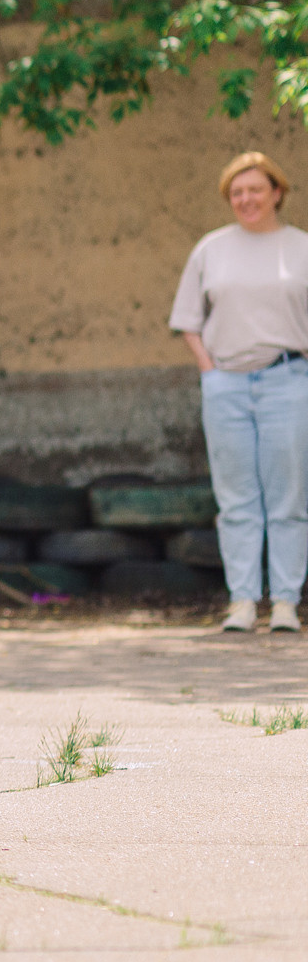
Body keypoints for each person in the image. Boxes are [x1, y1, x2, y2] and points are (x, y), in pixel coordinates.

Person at [170, 151, 308, 635]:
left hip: (287, 381)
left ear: (276, 192)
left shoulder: (300, 249)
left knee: (289, 498)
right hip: (225, 383)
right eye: (236, 192)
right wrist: (210, 372)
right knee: (236, 500)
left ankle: (286, 603)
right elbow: (188, 321)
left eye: (254, 189)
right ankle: (243, 602)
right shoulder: (211, 249)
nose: (245, 199)